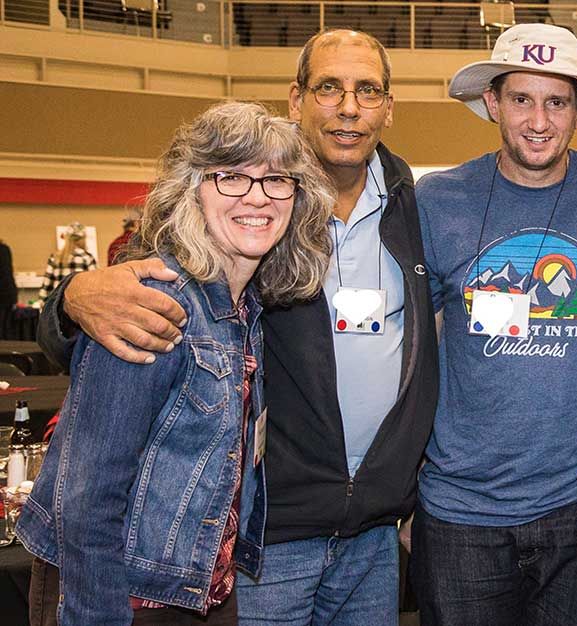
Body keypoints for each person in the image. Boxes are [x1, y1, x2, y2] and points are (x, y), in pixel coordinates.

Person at [37, 28, 440, 625]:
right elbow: (128, 303)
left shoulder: (419, 208)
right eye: (329, 87)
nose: (349, 107)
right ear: (296, 99)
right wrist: (71, 297)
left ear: (388, 106)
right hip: (263, 547)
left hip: (372, 539)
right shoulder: (221, 236)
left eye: (367, 90)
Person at [16, 101, 333, 625]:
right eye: (231, 176)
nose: (257, 196)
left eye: (277, 179)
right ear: (192, 191)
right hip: (121, 595)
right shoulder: (154, 300)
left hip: (199, 585)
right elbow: (88, 498)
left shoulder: (245, 306)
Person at [411, 23, 577, 625]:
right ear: (492, 103)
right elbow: (406, 348)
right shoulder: (438, 199)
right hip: (461, 511)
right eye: (521, 99)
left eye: (556, 101)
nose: (538, 120)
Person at [38, 223, 96, 301]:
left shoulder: (55, 258)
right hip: (79, 305)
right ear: (82, 239)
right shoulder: (87, 258)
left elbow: (45, 288)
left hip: (57, 306)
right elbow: (94, 287)